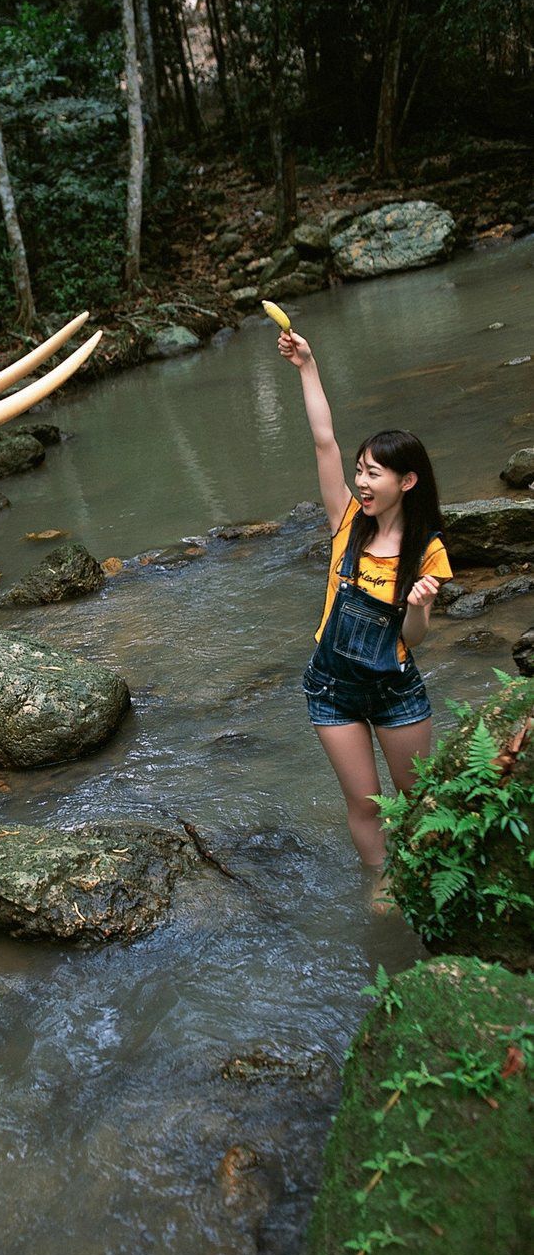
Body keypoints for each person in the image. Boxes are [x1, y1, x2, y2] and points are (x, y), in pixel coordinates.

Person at [277, 327, 452, 894]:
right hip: (331, 687)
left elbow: (414, 641)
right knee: (364, 801)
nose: (361, 482)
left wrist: (420, 607)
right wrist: (307, 365)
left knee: (417, 798)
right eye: (360, 472)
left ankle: (430, 879)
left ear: (407, 480)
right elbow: (324, 440)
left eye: (373, 473)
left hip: (396, 688)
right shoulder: (346, 523)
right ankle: (380, 886)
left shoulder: (429, 551)